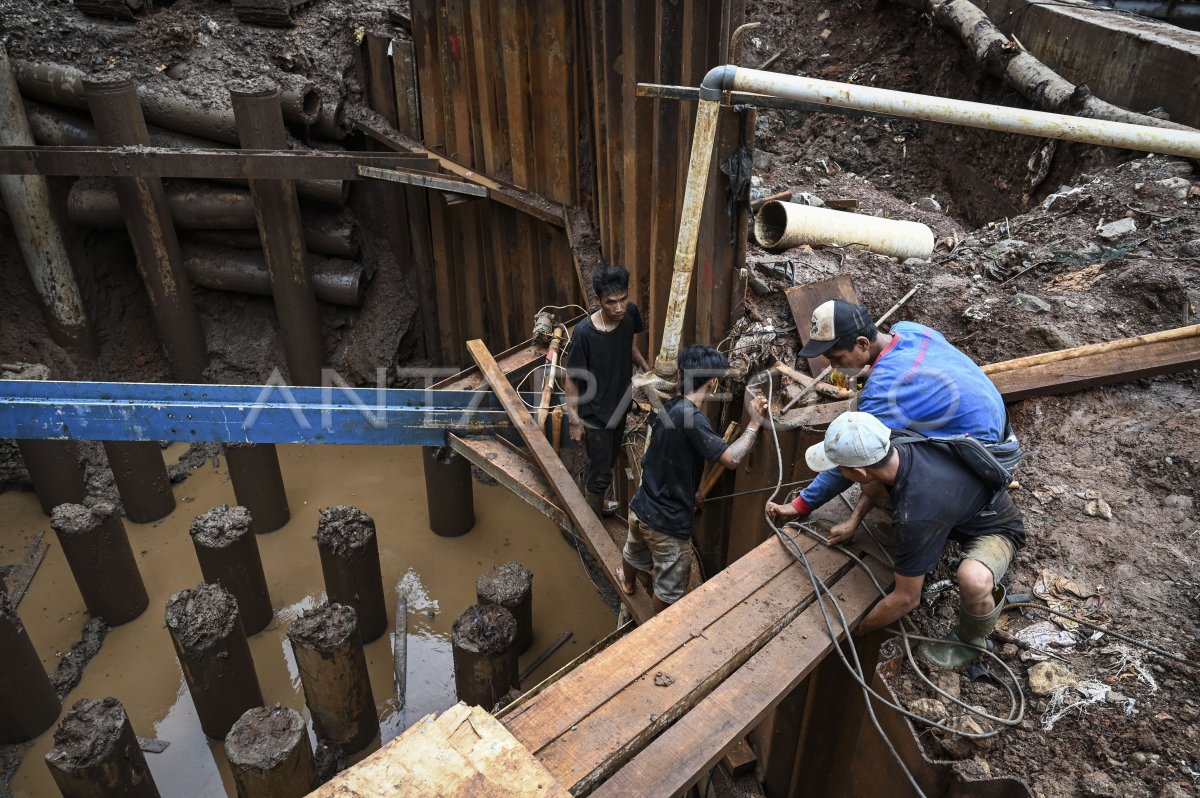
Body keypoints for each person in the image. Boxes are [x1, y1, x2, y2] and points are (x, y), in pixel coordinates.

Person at [767, 411, 1026, 668]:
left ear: (858, 471)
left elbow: (906, 599)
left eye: (841, 469)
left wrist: (857, 631)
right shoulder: (896, 444)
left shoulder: (915, 514)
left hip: (994, 528)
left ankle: (971, 640)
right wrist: (852, 522)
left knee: (972, 579)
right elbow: (871, 484)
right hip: (950, 507)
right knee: (880, 488)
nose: (840, 473)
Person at [786, 298, 1021, 539]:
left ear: (863, 343)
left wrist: (802, 504)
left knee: (875, 471)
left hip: (985, 462)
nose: (834, 367)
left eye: (837, 358)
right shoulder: (909, 330)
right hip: (1001, 432)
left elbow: (850, 454)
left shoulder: (884, 392)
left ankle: (924, 522)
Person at [622, 344, 769, 615]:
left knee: (634, 552)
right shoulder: (694, 419)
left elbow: (669, 459)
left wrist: (694, 492)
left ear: (679, 375)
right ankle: (653, 630)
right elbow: (731, 459)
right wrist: (754, 424)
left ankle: (628, 585)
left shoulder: (669, 408)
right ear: (712, 384)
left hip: (641, 507)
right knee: (667, 590)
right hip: (667, 526)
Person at [564, 264, 651, 516]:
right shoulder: (584, 335)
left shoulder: (630, 314)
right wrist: (573, 421)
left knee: (610, 459)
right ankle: (592, 521)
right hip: (595, 415)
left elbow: (630, 347)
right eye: (611, 302)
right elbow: (571, 380)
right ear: (599, 300)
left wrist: (647, 368)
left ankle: (596, 500)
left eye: (623, 299)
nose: (619, 308)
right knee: (601, 471)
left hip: (620, 406)